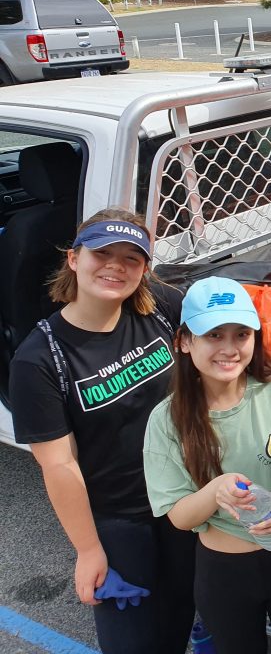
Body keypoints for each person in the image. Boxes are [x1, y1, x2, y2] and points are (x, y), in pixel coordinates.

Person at [8, 209, 196, 654]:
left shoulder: (162, 309)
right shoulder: (39, 360)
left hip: (184, 499)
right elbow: (58, 465)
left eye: (131, 258)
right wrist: (89, 550)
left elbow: (226, 350)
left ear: (145, 269)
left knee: (181, 615)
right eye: (102, 253)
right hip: (121, 521)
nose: (115, 265)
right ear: (73, 259)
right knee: (133, 641)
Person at [143, 277, 271, 654]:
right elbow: (179, 516)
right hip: (223, 571)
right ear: (185, 342)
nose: (230, 349)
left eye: (241, 334)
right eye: (214, 335)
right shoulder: (167, 419)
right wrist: (215, 491)